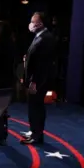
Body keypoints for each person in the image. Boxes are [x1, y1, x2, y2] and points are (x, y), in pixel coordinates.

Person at [21, 12, 56, 145]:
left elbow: (42, 63)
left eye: (33, 21)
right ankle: (33, 130)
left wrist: (34, 81)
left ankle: (37, 135)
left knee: (36, 106)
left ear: (40, 23)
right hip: (34, 79)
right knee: (33, 106)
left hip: (38, 80)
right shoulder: (39, 36)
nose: (31, 24)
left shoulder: (46, 38)